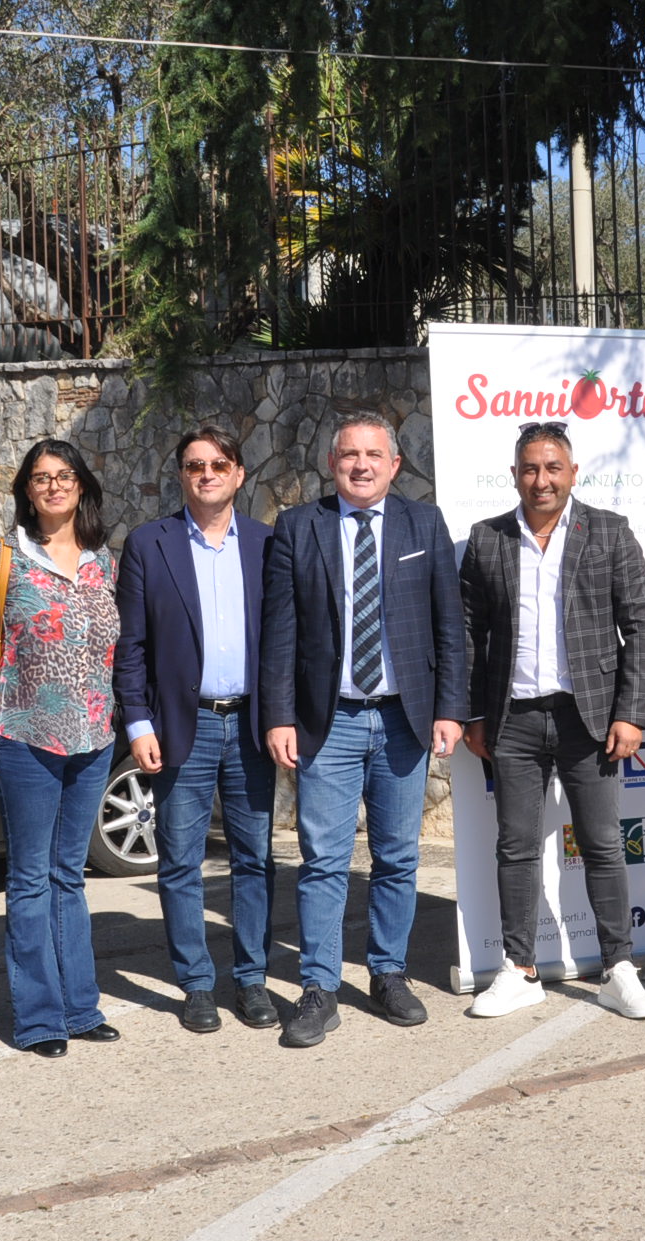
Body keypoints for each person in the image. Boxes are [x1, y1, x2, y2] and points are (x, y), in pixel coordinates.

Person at [258, 409, 469, 1048]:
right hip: (330, 722)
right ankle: (318, 988)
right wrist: (279, 716)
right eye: (349, 454)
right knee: (323, 859)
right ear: (332, 463)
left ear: (395, 464)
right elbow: (280, 633)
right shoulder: (299, 526)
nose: (361, 465)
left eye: (374, 455)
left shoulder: (423, 524)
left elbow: (449, 626)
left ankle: (388, 973)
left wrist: (450, 708)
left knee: (398, 857)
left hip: (404, 719)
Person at [458, 420, 645, 1020]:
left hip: (588, 719)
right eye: (530, 468)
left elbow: (640, 626)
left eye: (552, 468)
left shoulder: (609, 531)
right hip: (513, 720)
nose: (541, 479)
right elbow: (469, 632)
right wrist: (473, 713)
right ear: (514, 474)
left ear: (573, 472)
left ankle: (618, 968)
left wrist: (631, 713)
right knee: (516, 847)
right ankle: (519, 970)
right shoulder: (487, 538)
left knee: (603, 844)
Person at [0, 439, 124, 1059]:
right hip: (25, 735)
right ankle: (39, 1018)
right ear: (26, 491)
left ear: (81, 486)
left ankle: (81, 1008)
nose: (54, 486)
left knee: (69, 876)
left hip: (94, 738)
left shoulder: (105, 564)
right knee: (30, 878)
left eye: (64, 475)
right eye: (41, 477)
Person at [115, 426, 279, 1034]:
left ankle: (252, 979)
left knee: (254, 859)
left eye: (218, 464)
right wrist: (138, 722)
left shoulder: (267, 543)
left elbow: (285, 639)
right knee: (181, 862)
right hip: (183, 725)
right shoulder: (148, 544)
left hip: (252, 726)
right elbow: (130, 646)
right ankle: (197, 985)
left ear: (238, 474)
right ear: (181, 475)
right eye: (194, 465)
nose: (206, 474)